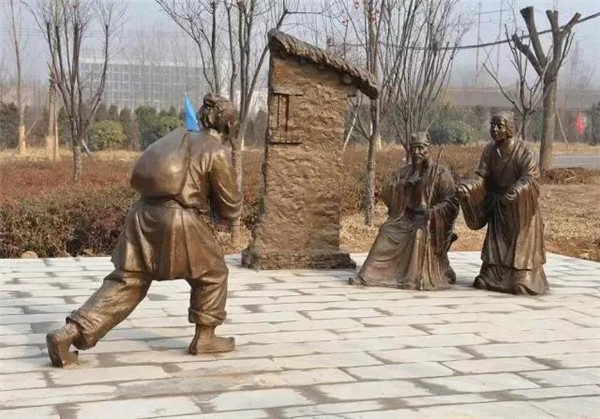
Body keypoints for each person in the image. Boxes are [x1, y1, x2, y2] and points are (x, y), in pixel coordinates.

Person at [46, 94, 243, 367]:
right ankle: (205, 338)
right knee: (214, 273)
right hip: (178, 219)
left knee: (126, 281)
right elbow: (229, 208)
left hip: (141, 214)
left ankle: (69, 333)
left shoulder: (178, 137)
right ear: (229, 123)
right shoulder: (216, 150)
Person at [350, 132, 458, 290]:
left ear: (428, 148)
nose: (416, 152)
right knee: (387, 230)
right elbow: (389, 193)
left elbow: (452, 202)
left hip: (429, 220)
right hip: (406, 218)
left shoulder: (440, 173)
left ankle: (412, 278)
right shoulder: (405, 172)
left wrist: (434, 211)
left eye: (420, 148)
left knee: (418, 233)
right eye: (413, 149)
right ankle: (368, 275)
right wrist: (404, 187)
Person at [457, 111, 549, 295]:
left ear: (509, 128)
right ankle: (493, 274)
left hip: (520, 209)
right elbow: (481, 176)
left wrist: (517, 190)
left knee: (520, 281)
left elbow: (531, 177)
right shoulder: (490, 151)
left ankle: (522, 275)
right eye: (492, 125)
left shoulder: (524, 151)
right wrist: (468, 186)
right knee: (488, 270)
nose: (494, 129)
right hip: (499, 206)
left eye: (499, 125)